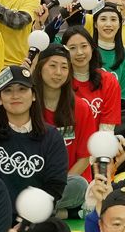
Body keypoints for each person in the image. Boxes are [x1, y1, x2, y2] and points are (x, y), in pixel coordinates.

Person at [0, 65, 72, 232]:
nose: (15, 96)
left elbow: (55, 186)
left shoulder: (51, 136)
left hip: (31, 222)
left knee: (57, 228)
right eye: (7, 91)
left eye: (22, 89)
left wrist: (25, 223)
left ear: (33, 96)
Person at [31, 44, 97, 218]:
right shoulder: (28, 105)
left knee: (78, 186)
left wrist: (58, 185)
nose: (58, 72)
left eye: (64, 67)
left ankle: (37, 210)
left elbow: (84, 158)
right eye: (52, 66)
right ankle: (59, 213)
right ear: (40, 68)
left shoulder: (81, 107)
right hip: (33, 178)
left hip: (68, 182)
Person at [61, 26, 122, 131]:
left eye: (84, 46)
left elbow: (107, 129)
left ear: (92, 48)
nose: (79, 52)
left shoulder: (108, 81)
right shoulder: (60, 82)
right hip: (71, 142)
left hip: (99, 142)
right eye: (72, 48)